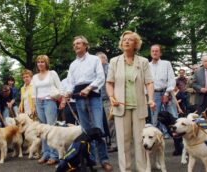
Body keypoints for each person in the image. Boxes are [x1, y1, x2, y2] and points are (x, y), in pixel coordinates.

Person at [106, 31, 155, 171]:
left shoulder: (143, 61)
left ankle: (143, 169)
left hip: (139, 106)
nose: (126, 42)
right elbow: (109, 83)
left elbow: (149, 82)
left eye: (130, 40)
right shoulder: (114, 61)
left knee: (141, 141)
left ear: (136, 44)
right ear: (121, 44)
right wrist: (111, 97)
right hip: (121, 107)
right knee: (123, 142)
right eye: (124, 40)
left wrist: (150, 99)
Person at [66, 36, 113, 171]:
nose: (76, 45)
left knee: (98, 129)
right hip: (79, 97)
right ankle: (91, 160)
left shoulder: (94, 59)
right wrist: (69, 92)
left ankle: (104, 160)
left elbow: (100, 77)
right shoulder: (73, 64)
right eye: (74, 44)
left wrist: (89, 88)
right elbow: (70, 82)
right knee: (85, 131)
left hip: (93, 95)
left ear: (86, 45)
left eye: (78, 43)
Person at [31, 55, 61, 165]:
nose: (40, 64)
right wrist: (34, 106)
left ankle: (54, 155)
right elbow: (34, 93)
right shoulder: (34, 77)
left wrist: (59, 98)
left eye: (42, 62)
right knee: (41, 130)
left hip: (50, 102)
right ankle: (46, 153)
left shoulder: (52, 73)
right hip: (39, 103)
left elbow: (60, 87)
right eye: (38, 62)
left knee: (51, 129)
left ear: (46, 63)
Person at [96, 51, 117, 153]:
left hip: (109, 99)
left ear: (104, 59)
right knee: (105, 123)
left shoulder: (108, 68)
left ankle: (114, 144)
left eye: (98, 59)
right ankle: (109, 143)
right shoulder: (97, 69)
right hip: (100, 99)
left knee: (111, 122)